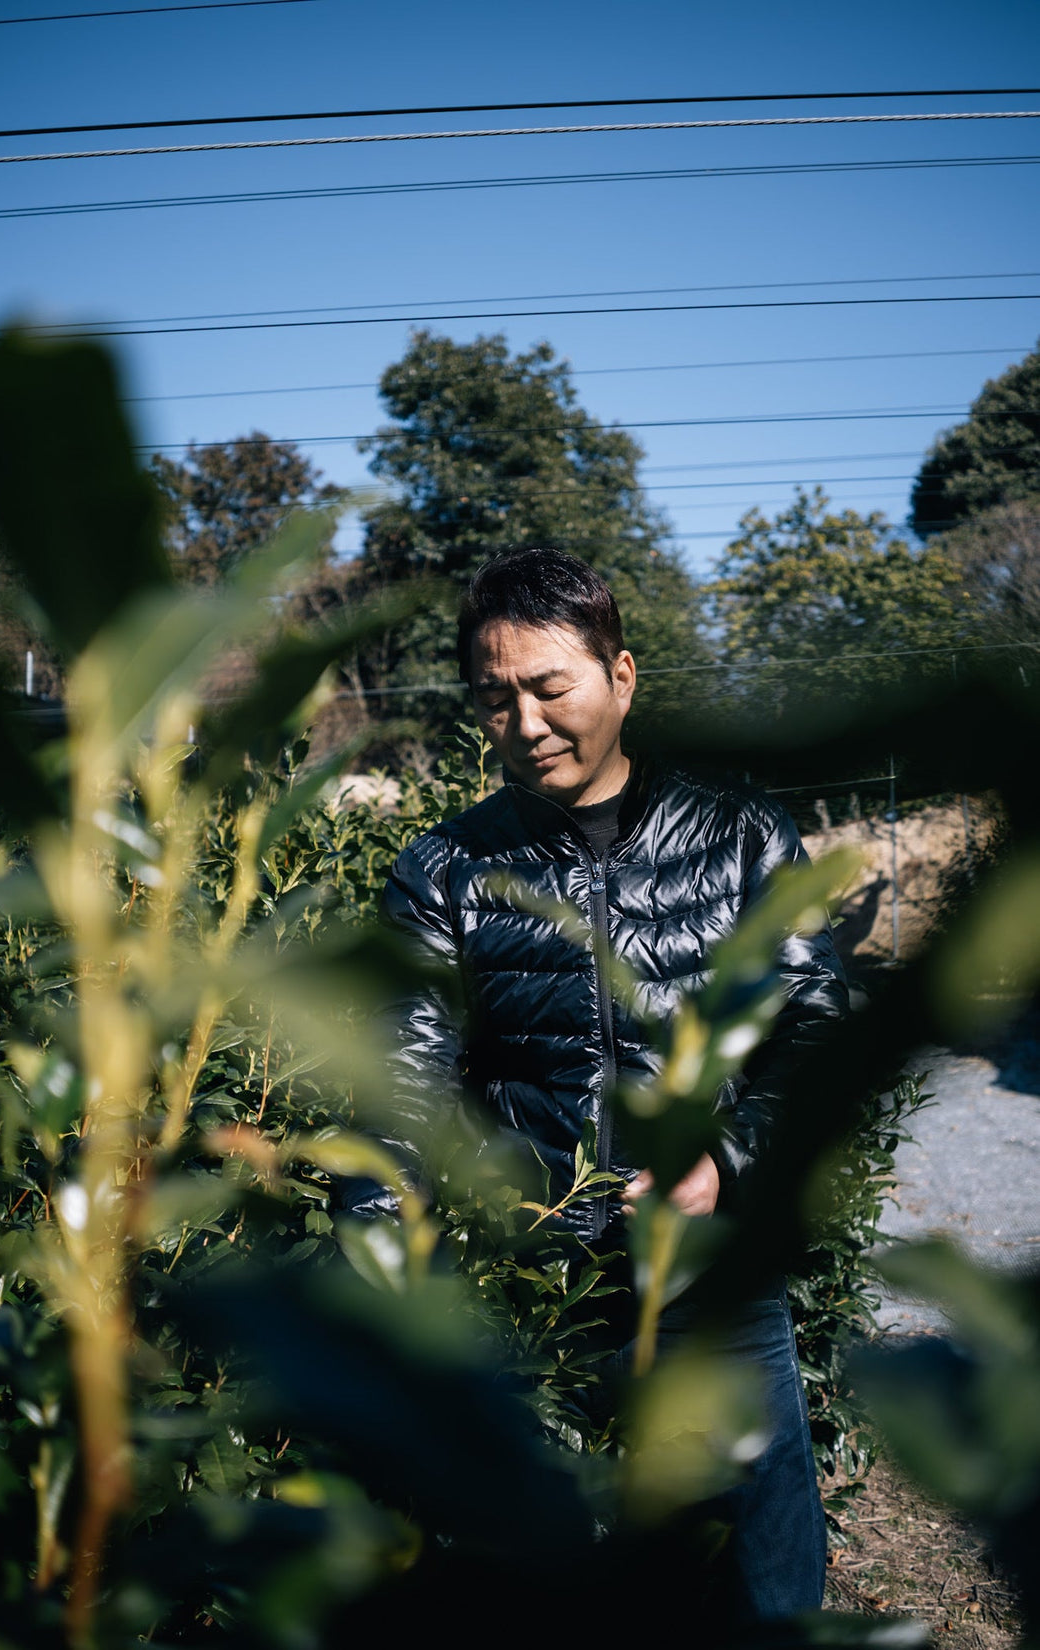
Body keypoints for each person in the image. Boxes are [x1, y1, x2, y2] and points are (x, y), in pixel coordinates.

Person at [346, 546, 849, 1621]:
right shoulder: (445, 871)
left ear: (620, 677)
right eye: (493, 698)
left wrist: (723, 1160)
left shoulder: (741, 838)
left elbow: (812, 1036)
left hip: (714, 1290)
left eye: (548, 687)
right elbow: (397, 1095)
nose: (523, 724)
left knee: (761, 1585)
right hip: (532, 1296)